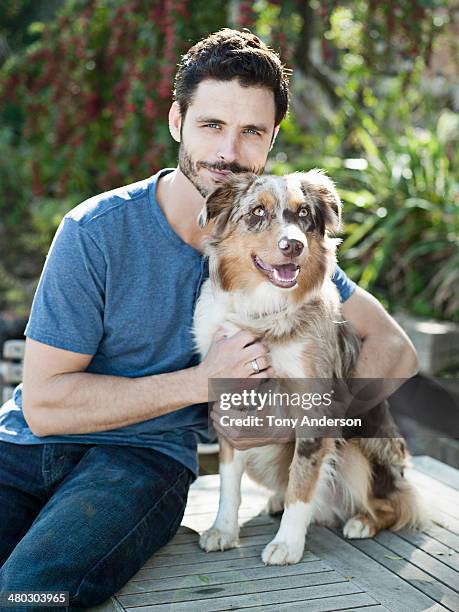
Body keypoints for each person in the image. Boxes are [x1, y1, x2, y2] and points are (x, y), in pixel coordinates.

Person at [0, 28, 418, 609]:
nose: (228, 152)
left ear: (271, 141)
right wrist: (204, 381)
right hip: (19, 446)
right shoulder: (95, 231)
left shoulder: (278, 251)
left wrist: (305, 419)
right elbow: (43, 406)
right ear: (177, 121)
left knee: (25, 595)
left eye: (252, 132)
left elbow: (395, 348)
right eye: (212, 125)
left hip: (141, 462)